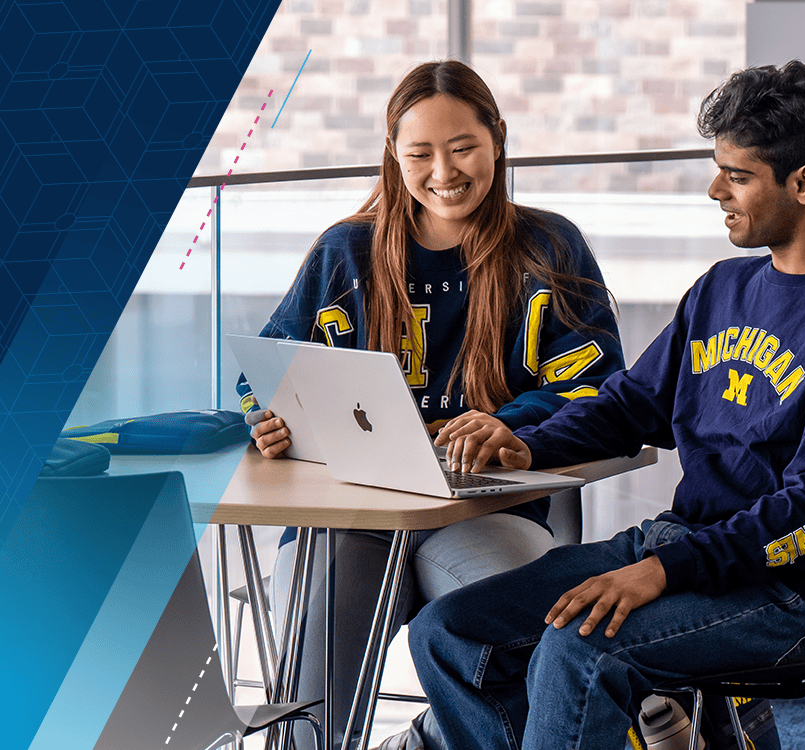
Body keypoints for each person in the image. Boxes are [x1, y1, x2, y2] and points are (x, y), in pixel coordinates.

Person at [410, 60, 805, 750]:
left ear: (804, 182)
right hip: (686, 545)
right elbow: (631, 405)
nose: (715, 189)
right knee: (448, 632)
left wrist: (661, 572)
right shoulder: (722, 288)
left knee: (580, 650)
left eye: (738, 175)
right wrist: (527, 440)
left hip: (794, 595)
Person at [235, 60, 624, 749]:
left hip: (484, 513)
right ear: (393, 155)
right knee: (313, 708)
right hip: (349, 514)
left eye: (463, 147)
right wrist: (270, 420)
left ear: (498, 139)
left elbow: (602, 391)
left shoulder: (548, 247)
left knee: (539, 647)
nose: (443, 171)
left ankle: (427, 738)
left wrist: (506, 421)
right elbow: (265, 373)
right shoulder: (344, 254)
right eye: (419, 154)